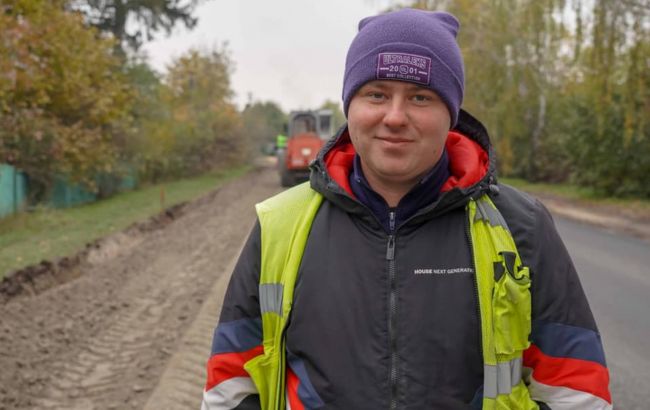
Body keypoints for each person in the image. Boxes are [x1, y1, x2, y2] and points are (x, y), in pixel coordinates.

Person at [202, 8, 612, 410]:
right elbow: (230, 387)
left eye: (420, 96)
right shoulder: (279, 226)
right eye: (376, 93)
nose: (395, 117)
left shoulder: (521, 226)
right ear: (351, 106)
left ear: (449, 114)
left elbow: (576, 390)